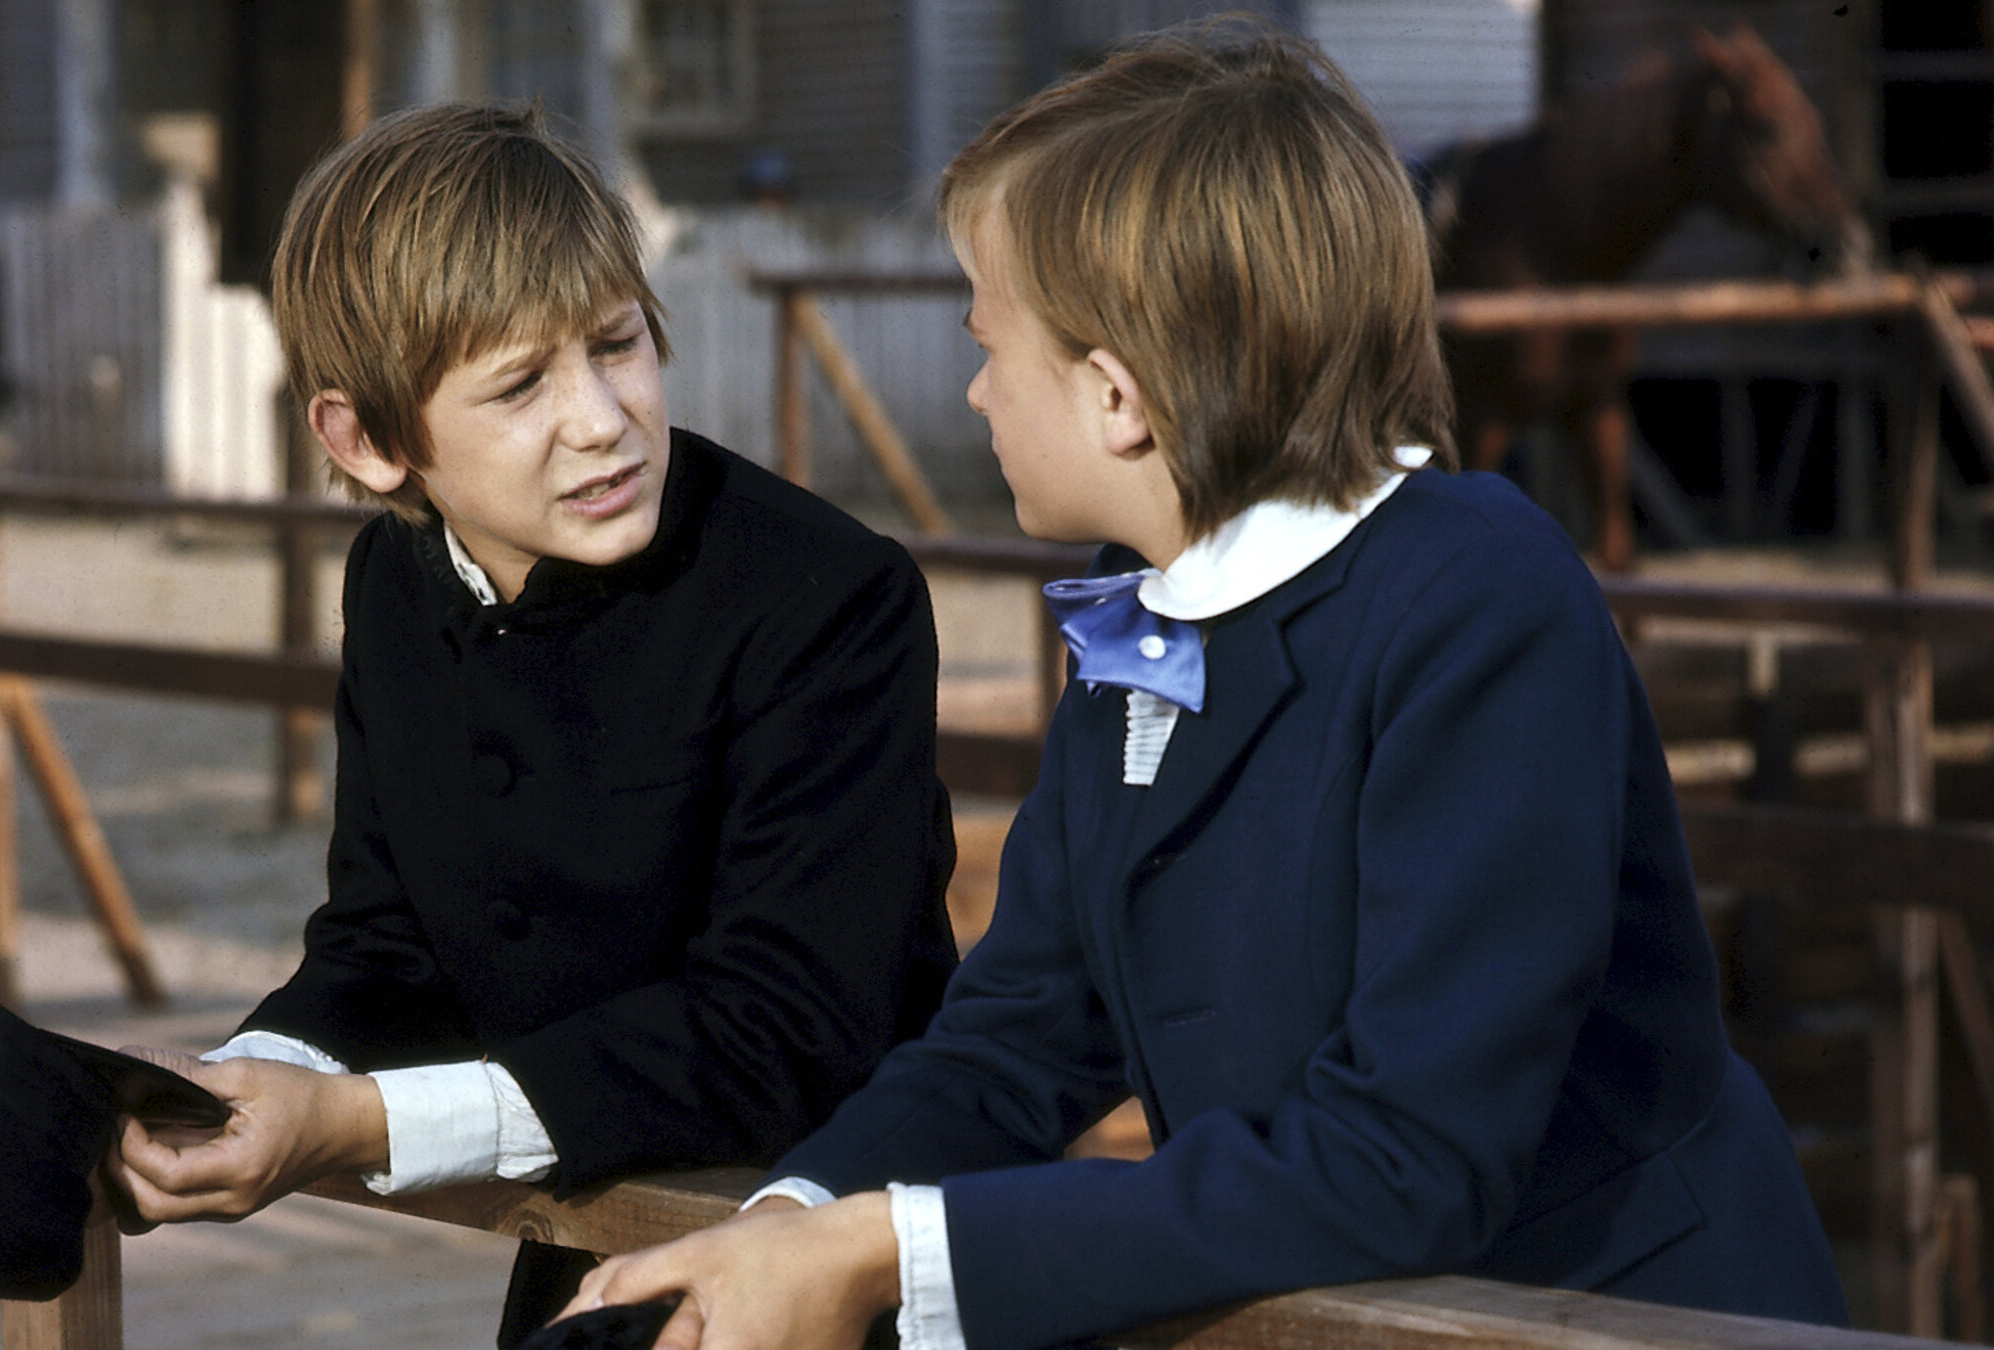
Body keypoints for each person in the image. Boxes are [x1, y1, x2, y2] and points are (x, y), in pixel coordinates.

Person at [560, 23, 1849, 1350]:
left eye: (990, 341)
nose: (976, 388)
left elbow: (1403, 1152)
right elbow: (1021, 1031)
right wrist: (796, 1212)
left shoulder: (1480, 601)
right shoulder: (1145, 610)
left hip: (1617, 1316)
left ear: (1118, 399)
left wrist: (889, 1251)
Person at [100, 102, 958, 1346]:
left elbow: (789, 1028)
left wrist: (358, 1126)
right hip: (586, 1246)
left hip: (827, 1269)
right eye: (519, 385)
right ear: (370, 439)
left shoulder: (825, 597)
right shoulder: (391, 589)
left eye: (617, 345)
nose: (600, 417)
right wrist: (249, 1082)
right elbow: (389, 945)